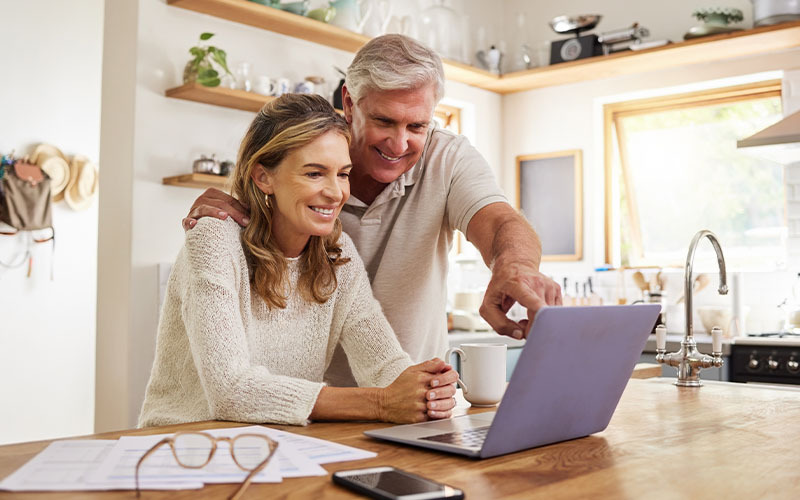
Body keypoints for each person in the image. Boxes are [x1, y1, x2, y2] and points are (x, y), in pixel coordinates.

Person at [182, 34, 562, 387]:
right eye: (384, 120)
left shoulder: (448, 159)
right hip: (301, 405)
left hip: (400, 396)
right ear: (349, 103)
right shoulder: (299, 165)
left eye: (417, 125)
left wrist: (515, 266)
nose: (399, 143)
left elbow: (499, 222)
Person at [139, 94, 457, 427]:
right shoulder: (214, 239)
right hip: (182, 450)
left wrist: (426, 387)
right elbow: (231, 390)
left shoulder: (338, 253)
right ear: (264, 177)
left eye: (343, 174)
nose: (336, 193)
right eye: (315, 173)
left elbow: (384, 366)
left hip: (279, 449)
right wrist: (381, 403)